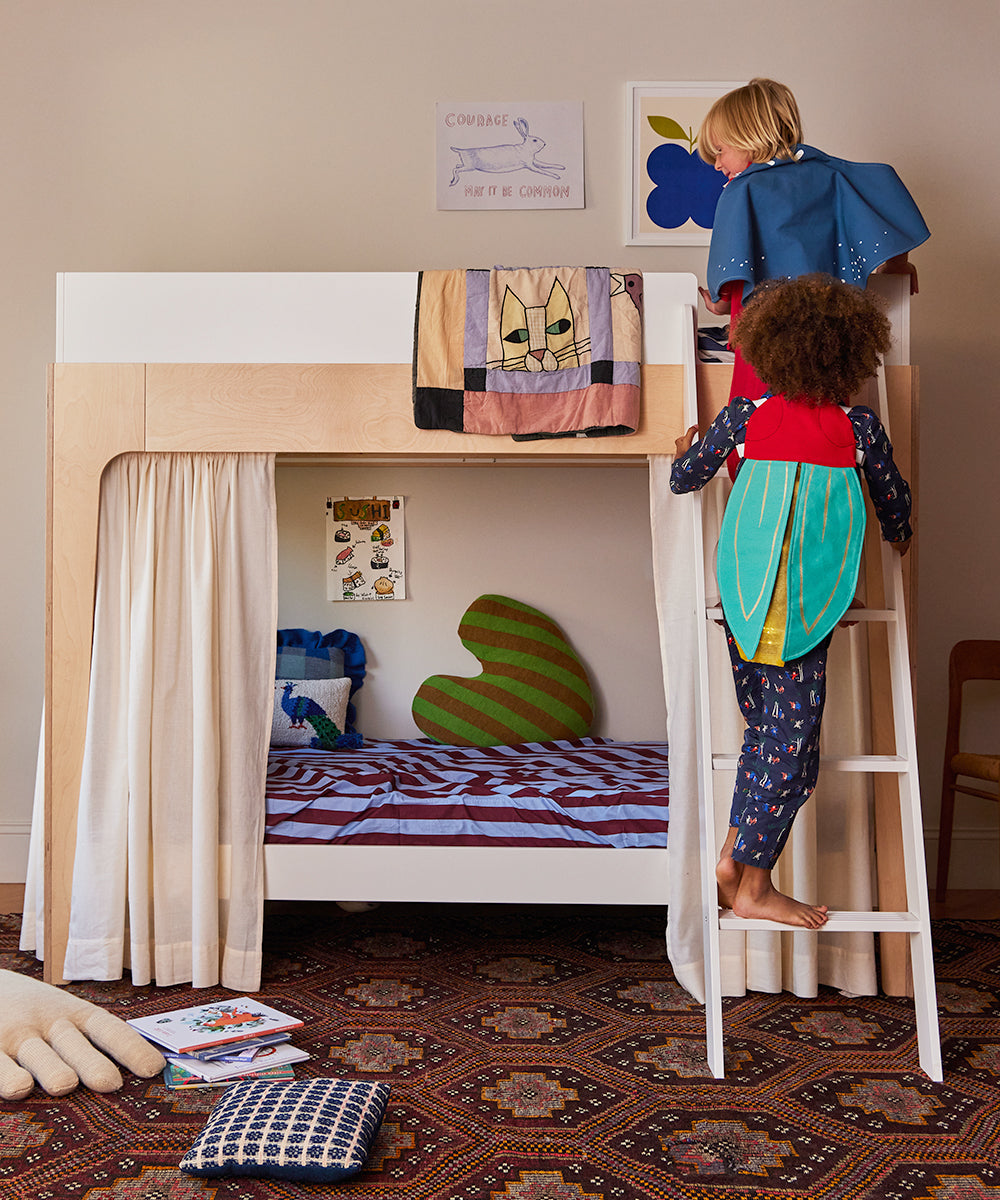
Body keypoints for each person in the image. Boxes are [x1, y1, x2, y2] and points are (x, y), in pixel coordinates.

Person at [670, 274, 912, 929]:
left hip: (744, 599)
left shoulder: (746, 417)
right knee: (791, 749)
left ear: (769, 352)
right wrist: (901, 533)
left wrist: (688, 450)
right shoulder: (857, 429)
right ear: (850, 357)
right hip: (802, 609)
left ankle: (735, 859)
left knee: (770, 736)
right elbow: (892, 498)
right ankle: (751, 880)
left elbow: (685, 478)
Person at [696, 78, 929, 409]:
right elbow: (885, 195)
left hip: (764, 338)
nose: (717, 164)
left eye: (720, 151)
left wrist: (722, 303)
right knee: (826, 413)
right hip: (825, 334)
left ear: (750, 136)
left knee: (757, 416)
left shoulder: (741, 192)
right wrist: (897, 264)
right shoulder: (830, 176)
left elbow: (735, 267)